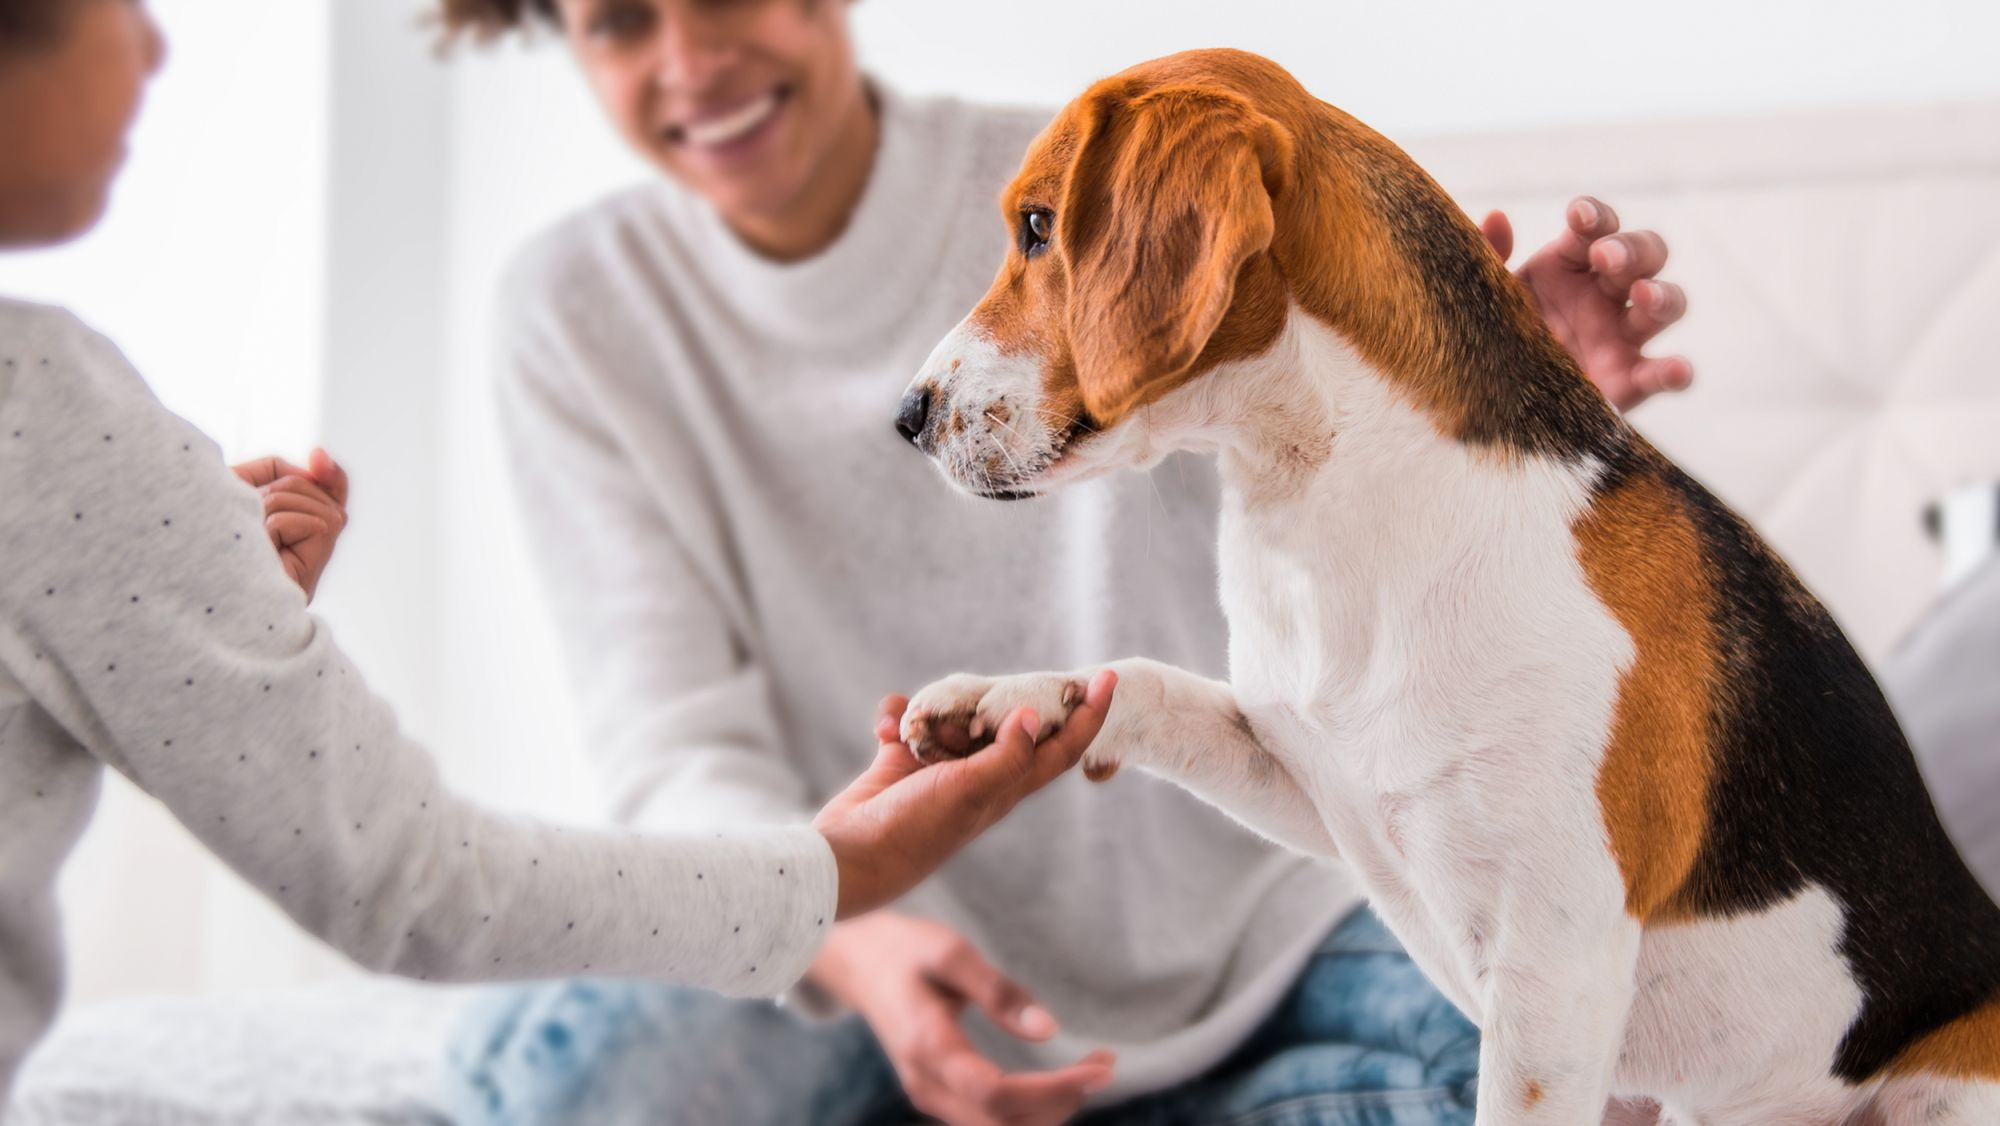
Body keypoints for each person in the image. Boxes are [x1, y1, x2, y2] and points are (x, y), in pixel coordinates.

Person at [435, 2, 1697, 1124]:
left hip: (1271, 927)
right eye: (615, 22)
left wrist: (1454, 414)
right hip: (868, 950)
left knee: (1603, 1064)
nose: (691, 58)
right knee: (575, 1075)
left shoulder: (1097, 176)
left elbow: (1299, 441)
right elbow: (672, 745)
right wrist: (841, 935)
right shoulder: (573, 308)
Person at [0, 0, 1102, 1110]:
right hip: (807, 924)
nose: (155, 45)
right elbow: (415, 879)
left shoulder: (1109, 189)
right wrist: (846, 893)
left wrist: (183, 627)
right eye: (620, 20)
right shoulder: (46, 411)